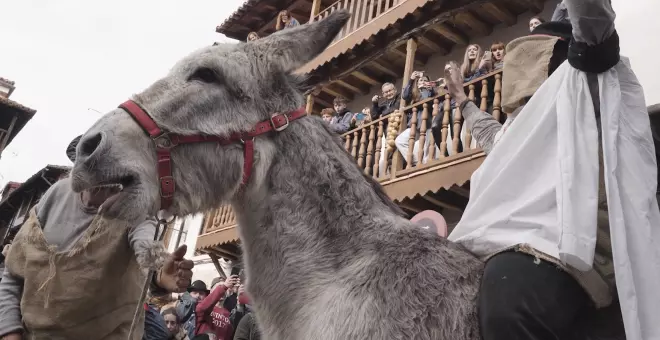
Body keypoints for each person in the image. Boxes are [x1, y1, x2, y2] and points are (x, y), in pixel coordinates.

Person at [446, 1, 660, 339]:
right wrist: (462, 100)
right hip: (512, 238)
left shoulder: (586, 82)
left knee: (510, 300)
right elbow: (490, 134)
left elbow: (592, 17)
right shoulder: (519, 126)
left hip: (577, 246)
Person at [0, 135, 194, 340]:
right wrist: (10, 331)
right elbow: (14, 271)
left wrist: (159, 272)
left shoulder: (135, 210)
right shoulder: (55, 195)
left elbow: (145, 247)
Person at [194, 275, 239, 340]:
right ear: (211, 290)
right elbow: (200, 309)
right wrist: (224, 286)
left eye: (226, 288)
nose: (223, 290)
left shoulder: (229, 314)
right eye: (219, 287)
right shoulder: (203, 307)